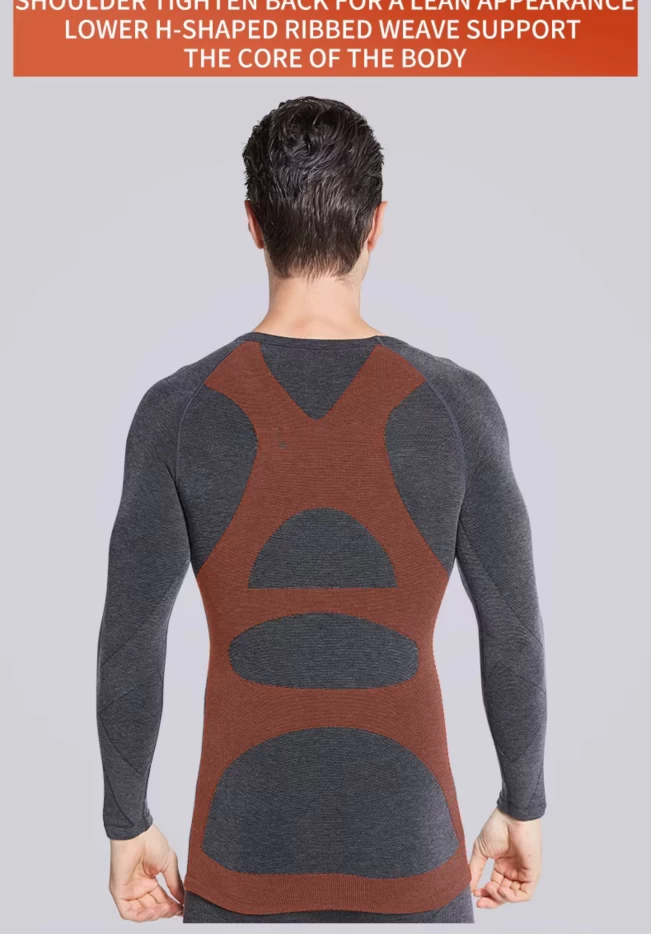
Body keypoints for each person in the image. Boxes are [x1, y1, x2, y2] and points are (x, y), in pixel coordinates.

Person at [97, 96, 546, 924]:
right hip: (414, 861)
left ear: (252, 223)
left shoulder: (178, 409)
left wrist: (127, 820)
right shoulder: (456, 404)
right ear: (376, 225)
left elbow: (130, 638)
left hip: (238, 859)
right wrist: (523, 803)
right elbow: (512, 628)